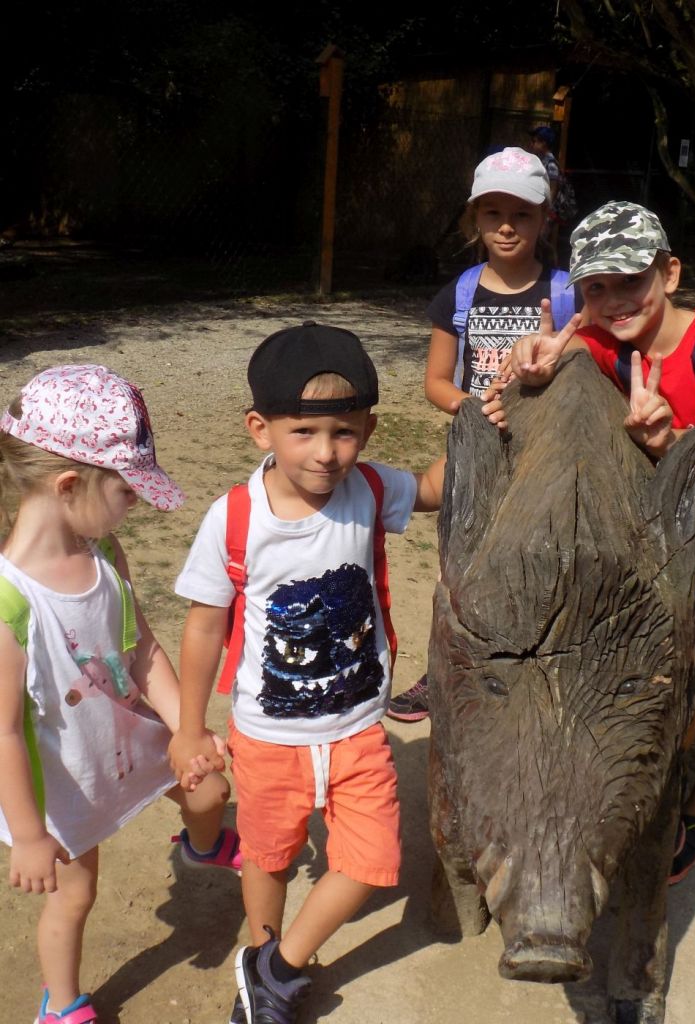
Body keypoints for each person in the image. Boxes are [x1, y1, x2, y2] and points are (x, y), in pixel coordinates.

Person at [508, 201, 695, 883]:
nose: (615, 300)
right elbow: (564, 348)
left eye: (630, 281)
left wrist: (670, 438)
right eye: (596, 288)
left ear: (668, 274)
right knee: (681, 674)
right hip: (679, 550)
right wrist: (535, 351)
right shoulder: (608, 342)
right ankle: (657, 779)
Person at [169, 323, 446, 1024]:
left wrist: (494, 412)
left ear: (368, 429)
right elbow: (204, 626)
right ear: (260, 429)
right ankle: (262, 970)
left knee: (374, 860)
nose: (327, 452)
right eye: (305, 432)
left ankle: (277, 967)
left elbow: (436, 487)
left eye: (344, 432)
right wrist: (190, 727)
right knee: (269, 857)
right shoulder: (234, 518)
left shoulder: (371, 488)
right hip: (267, 737)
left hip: (359, 729)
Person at [0, 365, 238, 1024]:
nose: (135, 504)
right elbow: (4, 731)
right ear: (68, 485)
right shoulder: (10, 604)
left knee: (210, 790)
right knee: (75, 895)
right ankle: (61, 1004)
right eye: (127, 491)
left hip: (130, 736)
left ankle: (201, 845)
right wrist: (28, 835)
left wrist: (185, 728)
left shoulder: (104, 553)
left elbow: (142, 649)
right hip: (66, 778)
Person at [387, 145, 577, 723]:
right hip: (479, 451)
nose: (507, 226)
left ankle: (534, 674)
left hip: (546, 455)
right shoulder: (460, 294)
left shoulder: (568, 293)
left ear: (545, 219)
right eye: (493, 212)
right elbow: (435, 381)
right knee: (457, 568)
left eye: (521, 214)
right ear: (475, 218)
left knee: (542, 566)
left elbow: (587, 375)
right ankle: (442, 671)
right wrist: (474, 408)